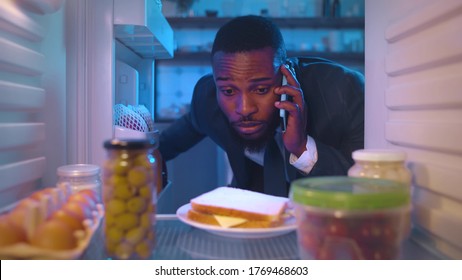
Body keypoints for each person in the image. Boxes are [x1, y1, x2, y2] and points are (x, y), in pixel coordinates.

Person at [159, 15, 364, 197]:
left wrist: (302, 147)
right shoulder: (207, 98)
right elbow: (164, 145)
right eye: (229, 91)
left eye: (261, 89)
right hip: (250, 211)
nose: (245, 109)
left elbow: (365, 187)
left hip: (322, 218)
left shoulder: (343, 91)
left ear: (285, 76)